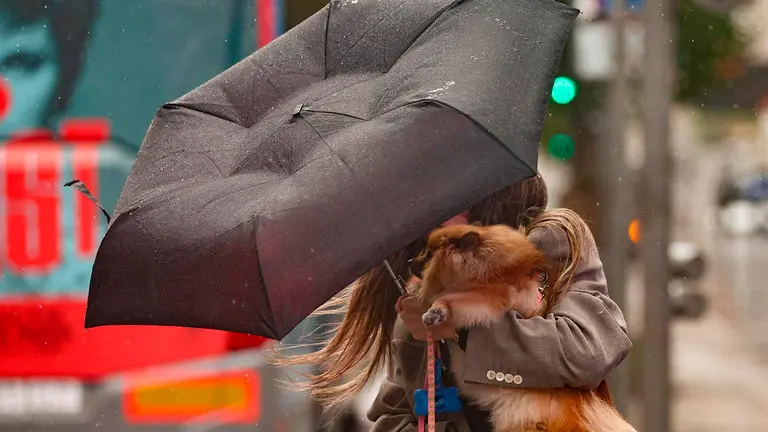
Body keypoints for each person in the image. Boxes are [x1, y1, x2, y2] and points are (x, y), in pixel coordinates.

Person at [278, 175, 632, 431]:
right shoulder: (425, 283)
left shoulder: (551, 240)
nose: (438, 220)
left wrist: (461, 326)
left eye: (450, 205)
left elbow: (589, 351)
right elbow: (396, 410)